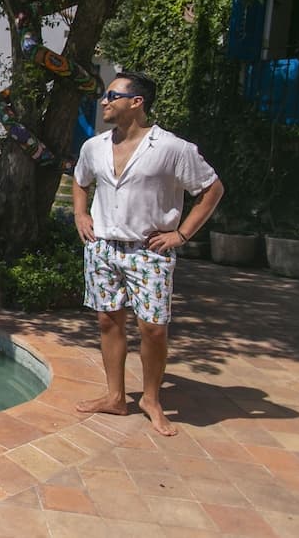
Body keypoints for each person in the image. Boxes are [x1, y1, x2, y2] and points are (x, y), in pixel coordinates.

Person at [72, 71, 224, 437]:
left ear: (136, 102)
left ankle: (151, 400)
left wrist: (182, 234)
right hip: (103, 247)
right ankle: (115, 397)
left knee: (153, 329)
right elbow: (80, 180)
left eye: (112, 95)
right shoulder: (94, 147)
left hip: (149, 251)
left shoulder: (172, 148)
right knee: (108, 322)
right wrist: (80, 213)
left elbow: (212, 189)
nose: (104, 101)